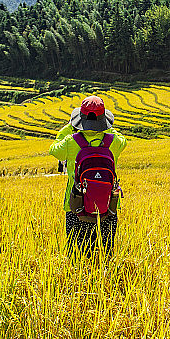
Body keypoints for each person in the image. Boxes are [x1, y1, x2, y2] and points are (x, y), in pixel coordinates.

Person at [49, 96, 126, 257]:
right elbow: (122, 139)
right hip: (108, 206)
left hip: (76, 204)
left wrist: (70, 127)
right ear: (103, 120)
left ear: (80, 120)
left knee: (76, 253)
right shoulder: (115, 142)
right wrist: (107, 128)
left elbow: (54, 149)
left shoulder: (70, 142)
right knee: (105, 253)